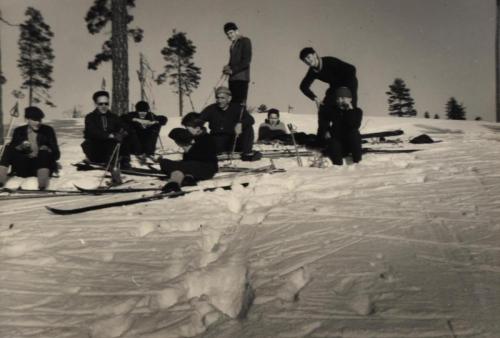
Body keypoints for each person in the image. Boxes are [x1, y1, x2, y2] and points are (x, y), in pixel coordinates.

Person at [299, 47, 358, 144]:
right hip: (335, 86)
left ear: (315, 55)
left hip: (349, 83)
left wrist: (345, 91)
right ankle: (321, 137)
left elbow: (352, 69)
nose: (308, 61)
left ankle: (351, 136)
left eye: (309, 57)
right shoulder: (313, 71)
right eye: (305, 61)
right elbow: (303, 86)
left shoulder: (329, 61)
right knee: (323, 108)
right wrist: (315, 98)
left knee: (349, 109)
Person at [0, 106, 60, 190]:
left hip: (41, 166)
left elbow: (57, 155)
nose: (38, 122)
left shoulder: (48, 130)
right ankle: (0, 181)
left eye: (39, 120)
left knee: (43, 152)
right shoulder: (19, 131)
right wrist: (20, 147)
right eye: (35, 120)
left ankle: (42, 186)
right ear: (27, 119)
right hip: (23, 166)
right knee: (8, 148)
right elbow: (13, 151)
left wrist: (48, 149)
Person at [159, 112, 218, 193]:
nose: (186, 130)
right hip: (198, 168)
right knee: (181, 167)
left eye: (187, 128)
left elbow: (201, 157)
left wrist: (189, 148)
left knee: (167, 164)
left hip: (207, 168)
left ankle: (173, 183)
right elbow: (189, 159)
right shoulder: (193, 137)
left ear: (197, 128)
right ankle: (188, 178)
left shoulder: (207, 139)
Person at [200, 86, 261, 161]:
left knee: (248, 127)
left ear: (229, 99)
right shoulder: (211, 109)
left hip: (234, 141)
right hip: (217, 141)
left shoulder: (237, 108)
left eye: (222, 98)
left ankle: (247, 153)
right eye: (218, 98)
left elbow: (250, 119)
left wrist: (241, 123)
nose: (219, 101)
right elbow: (199, 120)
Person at [81, 91, 132, 169]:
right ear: (95, 104)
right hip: (95, 149)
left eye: (106, 104)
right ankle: (112, 162)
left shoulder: (113, 117)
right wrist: (110, 135)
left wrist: (123, 132)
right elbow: (93, 132)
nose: (104, 106)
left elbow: (124, 126)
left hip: (111, 149)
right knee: (108, 141)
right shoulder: (90, 117)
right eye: (100, 104)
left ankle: (124, 161)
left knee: (124, 137)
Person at [320, 87, 363, 166]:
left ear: (350, 99)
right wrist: (327, 131)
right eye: (338, 98)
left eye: (343, 98)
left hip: (350, 144)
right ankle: (338, 168)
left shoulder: (357, 111)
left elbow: (354, 125)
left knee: (354, 133)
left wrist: (350, 110)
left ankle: (358, 163)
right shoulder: (332, 110)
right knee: (333, 143)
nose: (340, 100)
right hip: (336, 142)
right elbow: (324, 122)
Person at [222, 22, 252, 105]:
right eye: (227, 34)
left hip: (241, 79)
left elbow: (246, 61)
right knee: (232, 104)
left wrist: (232, 70)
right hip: (232, 79)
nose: (229, 35)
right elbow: (232, 62)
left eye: (231, 33)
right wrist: (227, 67)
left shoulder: (245, 41)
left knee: (239, 105)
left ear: (236, 31)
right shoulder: (232, 46)